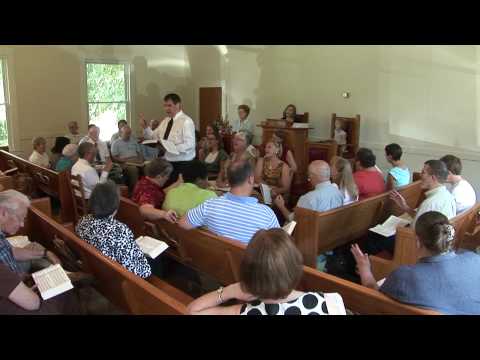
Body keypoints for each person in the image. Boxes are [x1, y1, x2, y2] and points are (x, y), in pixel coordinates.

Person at [187, 228, 343, 315]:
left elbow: (192, 311)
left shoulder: (243, 312)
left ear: (248, 277)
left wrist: (230, 291)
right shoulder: (329, 303)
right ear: (296, 268)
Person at [352, 211, 480, 315]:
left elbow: (376, 299)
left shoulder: (405, 276)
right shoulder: (475, 260)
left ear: (418, 241)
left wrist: (365, 270)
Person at [0, 190, 77, 314]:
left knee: (35, 248)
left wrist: (46, 253)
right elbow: (33, 303)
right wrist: (32, 288)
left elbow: (10, 251)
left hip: (15, 282)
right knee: (64, 291)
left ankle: (64, 273)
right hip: (9, 302)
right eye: (20, 218)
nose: (21, 224)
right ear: (3, 212)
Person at [178, 160, 279, 244]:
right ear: (250, 179)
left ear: (229, 181)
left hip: (216, 262)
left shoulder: (209, 205)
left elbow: (182, 223)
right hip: (248, 266)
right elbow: (280, 246)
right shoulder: (266, 214)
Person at [76, 181, 151, 279]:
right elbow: (142, 272)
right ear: (115, 207)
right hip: (115, 280)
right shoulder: (119, 230)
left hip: (96, 270)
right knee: (155, 260)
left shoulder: (83, 220)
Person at [140, 93, 196, 184]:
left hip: (182, 164)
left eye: (169, 105)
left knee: (177, 193)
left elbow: (190, 144)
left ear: (178, 105)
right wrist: (146, 127)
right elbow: (153, 136)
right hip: (167, 163)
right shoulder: (165, 121)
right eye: (165, 106)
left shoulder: (186, 121)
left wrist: (171, 148)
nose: (167, 109)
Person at [274, 160, 344, 222]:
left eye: (309, 176)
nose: (309, 179)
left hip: (311, 234)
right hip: (332, 230)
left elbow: (292, 220)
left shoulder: (308, 198)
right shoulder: (338, 192)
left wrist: (281, 206)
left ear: (313, 176)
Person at [131, 158, 180, 223]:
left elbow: (160, 193)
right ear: (159, 177)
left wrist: (178, 183)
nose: (168, 178)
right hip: (149, 224)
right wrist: (164, 214)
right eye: (167, 176)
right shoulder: (150, 192)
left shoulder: (143, 182)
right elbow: (144, 209)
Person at [110, 125, 143, 192]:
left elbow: (139, 153)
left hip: (136, 161)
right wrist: (124, 160)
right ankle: (135, 191)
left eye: (129, 133)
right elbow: (114, 157)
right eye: (126, 133)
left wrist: (141, 160)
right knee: (133, 169)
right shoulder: (116, 143)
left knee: (148, 166)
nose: (128, 135)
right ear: (121, 133)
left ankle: (145, 189)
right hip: (125, 163)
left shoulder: (133, 141)